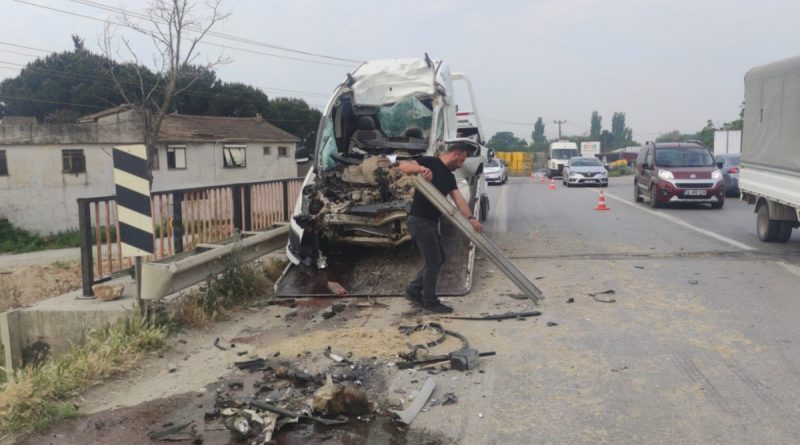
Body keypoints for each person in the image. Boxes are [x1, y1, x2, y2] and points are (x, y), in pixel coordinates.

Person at [398, 143, 483, 313]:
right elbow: (403, 166)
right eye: (462, 160)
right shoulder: (431, 162)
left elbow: (458, 199)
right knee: (433, 261)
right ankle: (429, 301)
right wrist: (421, 168)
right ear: (455, 154)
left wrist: (471, 218)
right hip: (419, 221)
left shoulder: (450, 177)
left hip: (430, 222)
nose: (461, 164)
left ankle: (414, 290)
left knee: (439, 258)